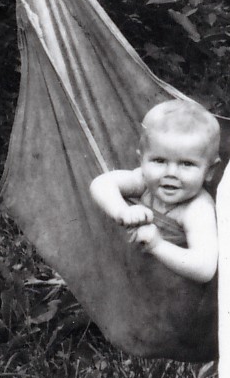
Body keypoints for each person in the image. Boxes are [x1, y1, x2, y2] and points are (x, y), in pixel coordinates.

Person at [89, 100, 220, 284]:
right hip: (136, 283)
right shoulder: (144, 180)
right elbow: (101, 183)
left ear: (210, 171)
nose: (171, 173)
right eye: (159, 161)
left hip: (177, 295)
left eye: (187, 163)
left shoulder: (197, 209)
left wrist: (158, 245)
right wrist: (122, 211)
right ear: (141, 161)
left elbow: (205, 268)